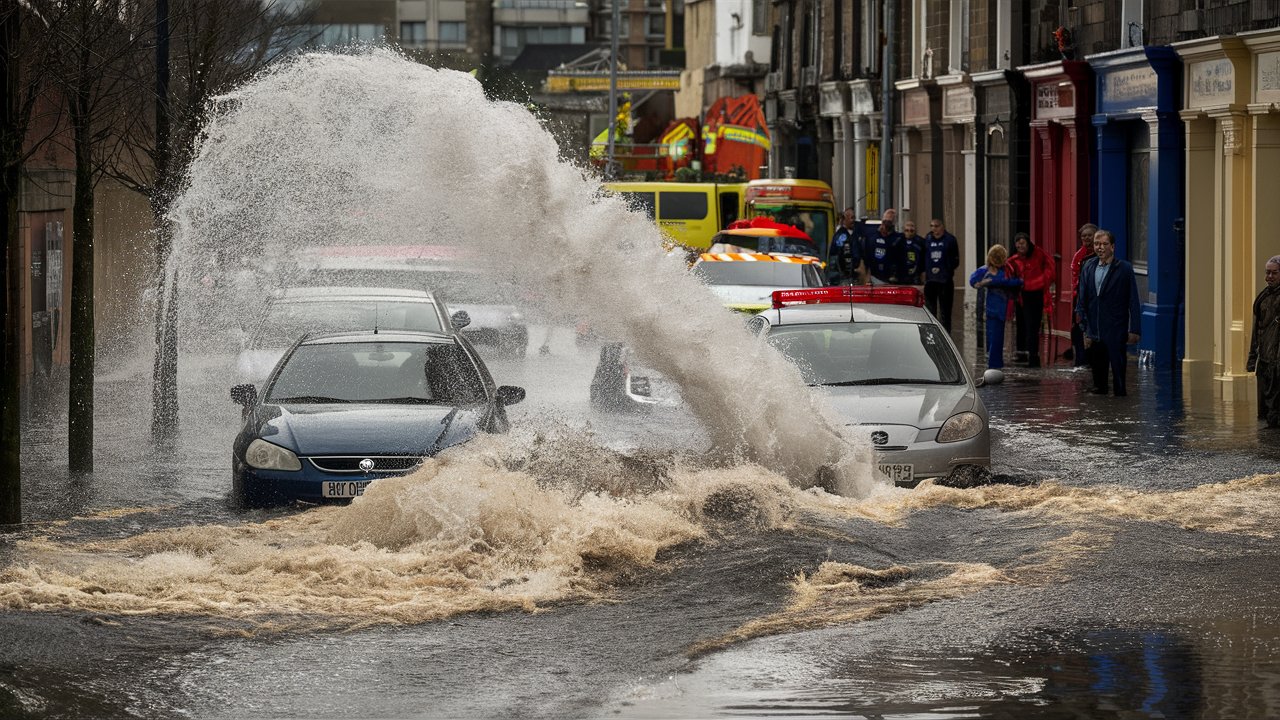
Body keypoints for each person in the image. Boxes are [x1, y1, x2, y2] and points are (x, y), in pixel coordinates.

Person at [1075, 229, 1141, 396]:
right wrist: (1084, 328)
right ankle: (1101, 407)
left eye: (1104, 244)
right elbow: (1082, 299)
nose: (1100, 247)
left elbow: (1133, 300)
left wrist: (1135, 330)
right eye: (1097, 244)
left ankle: (1120, 406)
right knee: (1098, 380)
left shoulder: (1124, 268)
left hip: (1116, 329)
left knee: (1119, 378)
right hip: (1094, 330)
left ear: (1113, 246)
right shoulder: (1088, 266)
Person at [969, 245, 1023, 369]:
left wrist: (990, 282)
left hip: (1002, 308)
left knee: (997, 338)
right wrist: (983, 283)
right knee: (993, 337)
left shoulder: (1005, 270)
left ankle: (995, 364)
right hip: (992, 309)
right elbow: (973, 281)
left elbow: (1011, 281)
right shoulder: (985, 271)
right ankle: (994, 365)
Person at [1007, 232, 1056, 368]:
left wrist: (1039, 281)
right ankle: (1022, 352)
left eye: (1022, 243)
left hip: (1035, 295)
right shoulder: (1014, 259)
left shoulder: (1039, 254)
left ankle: (1033, 356)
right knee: (1021, 324)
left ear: (1028, 243)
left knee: (1032, 326)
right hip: (1021, 295)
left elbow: (1049, 268)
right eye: (1017, 243)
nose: (1020, 246)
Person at [1247, 256, 1280, 428]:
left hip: (1277, 363)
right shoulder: (1263, 298)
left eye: (1274, 273)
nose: (1269, 277)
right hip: (1266, 362)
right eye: (1267, 273)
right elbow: (1256, 330)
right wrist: (1252, 359)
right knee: (1266, 411)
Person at [923, 218, 960, 332]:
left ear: (942, 227)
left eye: (937, 226)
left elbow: (956, 259)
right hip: (930, 281)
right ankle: (932, 333)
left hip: (945, 281)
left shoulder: (950, 240)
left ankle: (946, 334)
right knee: (930, 310)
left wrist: (948, 270)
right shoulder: (928, 239)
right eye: (932, 226)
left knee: (945, 312)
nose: (934, 229)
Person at [1069, 223, 1098, 367]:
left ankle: (1093, 359)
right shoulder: (1079, 255)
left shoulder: (1099, 254)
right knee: (1077, 328)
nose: (1086, 238)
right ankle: (1081, 360)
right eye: (1083, 236)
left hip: (1094, 297)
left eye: (1089, 235)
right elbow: (1075, 276)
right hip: (1079, 296)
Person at [864, 210, 904, 284]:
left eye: (889, 222)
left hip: (894, 280)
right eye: (885, 221)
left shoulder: (899, 239)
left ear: (894, 223)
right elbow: (867, 258)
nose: (886, 224)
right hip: (875, 277)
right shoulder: (873, 237)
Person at [831, 207, 860, 284]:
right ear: (845, 219)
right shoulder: (840, 236)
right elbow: (836, 256)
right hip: (844, 277)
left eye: (854, 218)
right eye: (852, 218)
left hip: (853, 276)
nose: (853, 220)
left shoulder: (855, 234)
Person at [900, 220, 925, 285]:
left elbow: (924, 259)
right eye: (907, 230)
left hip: (916, 275)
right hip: (902, 275)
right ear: (903, 230)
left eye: (911, 231)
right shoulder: (899, 241)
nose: (909, 233)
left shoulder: (921, 242)